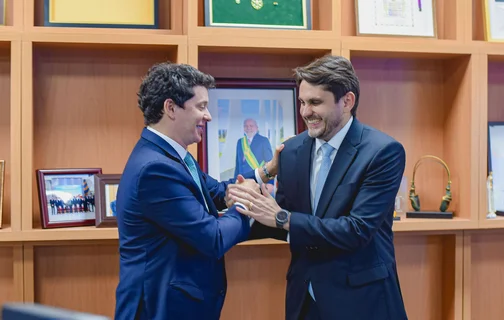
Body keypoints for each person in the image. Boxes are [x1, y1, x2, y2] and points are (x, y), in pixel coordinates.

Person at [227, 55, 408, 320]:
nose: (305, 112)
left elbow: (356, 230)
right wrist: (242, 212)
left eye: (315, 102)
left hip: (362, 302)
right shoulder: (290, 151)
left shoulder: (383, 152)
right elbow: (287, 222)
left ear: (347, 101)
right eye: (302, 102)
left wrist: (280, 216)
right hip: (304, 300)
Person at [113, 62, 280, 320]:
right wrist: (245, 205)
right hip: (159, 310)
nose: (209, 116)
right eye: (201, 107)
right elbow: (212, 238)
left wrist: (266, 171)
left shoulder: (173, 157)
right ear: (170, 108)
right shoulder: (155, 169)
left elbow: (219, 191)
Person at [234, 118, 275, 194]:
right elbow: (238, 164)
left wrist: (270, 183)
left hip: (258, 182)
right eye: (246, 126)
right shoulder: (240, 142)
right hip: (243, 182)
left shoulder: (263, 141)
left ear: (257, 128)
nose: (248, 128)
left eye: (251, 126)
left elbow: (270, 163)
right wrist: (234, 182)